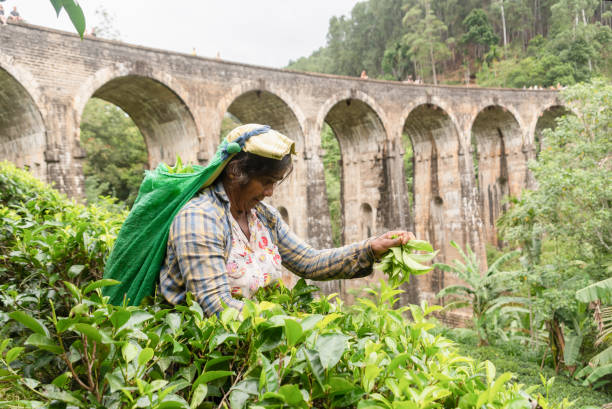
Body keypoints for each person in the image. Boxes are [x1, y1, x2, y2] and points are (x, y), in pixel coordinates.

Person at [159, 124, 416, 316]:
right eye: (267, 182)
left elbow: (308, 261)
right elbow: (216, 306)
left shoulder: (263, 217)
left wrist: (372, 248)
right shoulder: (200, 218)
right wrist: (290, 325)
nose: (270, 192)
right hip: (201, 363)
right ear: (235, 171)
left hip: (250, 346)